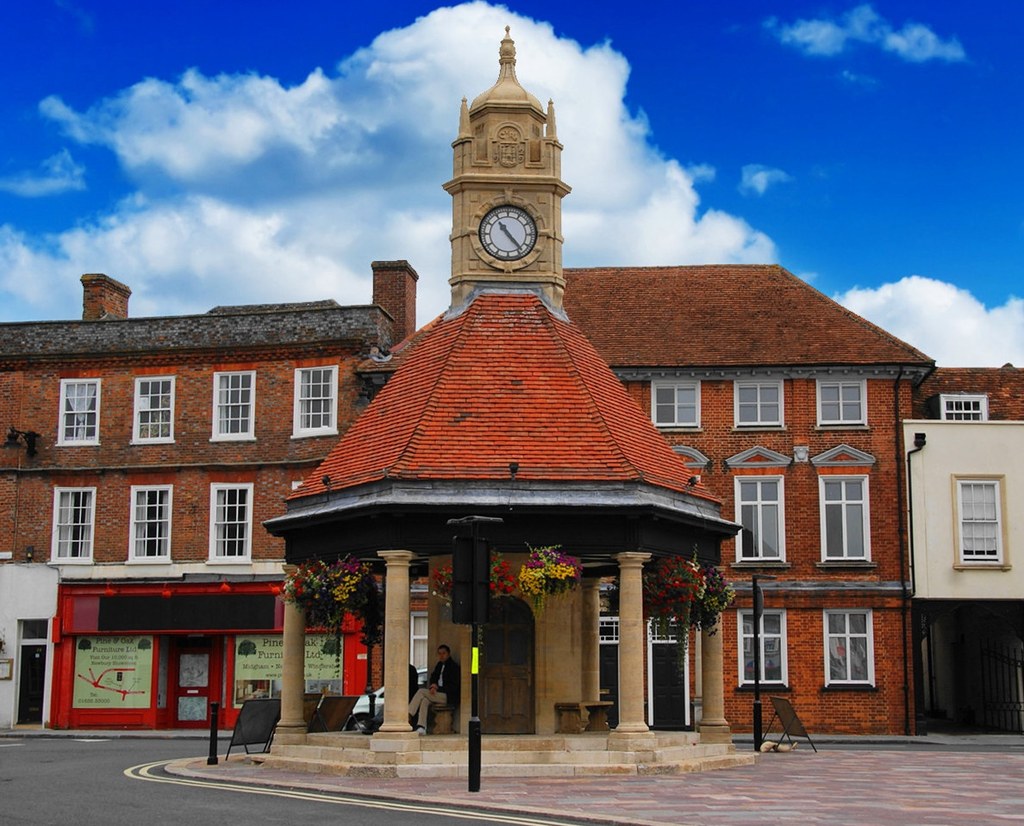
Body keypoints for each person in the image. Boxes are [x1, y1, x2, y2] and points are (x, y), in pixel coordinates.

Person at [408, 644, 460, 735]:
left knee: (421, 691)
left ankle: (408, 714)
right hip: (437, 694)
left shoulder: (454, 667)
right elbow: (433, 677)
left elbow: (453, 686)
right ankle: (422, 727)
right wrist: (433, 685)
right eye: (439, 653)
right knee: (425, 700)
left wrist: (438, 688)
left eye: (443, 653)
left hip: (448, 696)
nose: (441, 655)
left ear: (448, 654)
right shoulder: (439, 665)